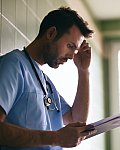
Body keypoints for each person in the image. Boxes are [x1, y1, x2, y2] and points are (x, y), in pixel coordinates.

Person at [0, 7, 95, 150]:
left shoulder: (46, 82)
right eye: (70, 46)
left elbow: (77, 122)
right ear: (51, 33)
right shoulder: (13, 64)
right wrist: (56, 138)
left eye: (75, 50)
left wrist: (83, 71)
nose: (71, 56)